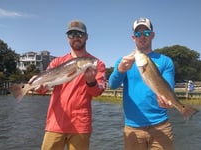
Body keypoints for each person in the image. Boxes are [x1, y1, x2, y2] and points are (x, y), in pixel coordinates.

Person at [30, 20, 106, 150]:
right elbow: (43, 89)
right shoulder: (56, 62)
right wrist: (38, 87)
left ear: (87, 36)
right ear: (67, 38)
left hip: (80, 124)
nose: (76, 37)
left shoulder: (96, 63)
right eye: (72, 34)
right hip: (55, 122)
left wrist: (91, 81)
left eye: (79, 34)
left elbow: (97, 91)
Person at [108, 17, 175, 150]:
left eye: (146, 33)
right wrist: (120, 70)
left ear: (152, 35)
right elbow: (112, 85)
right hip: (133, 127)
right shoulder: (123, 61)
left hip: (161, 125)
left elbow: (168, 88)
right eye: (138, 33)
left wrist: (167, 101)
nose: (142, 36)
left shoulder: (165, 61)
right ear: (133, 37)